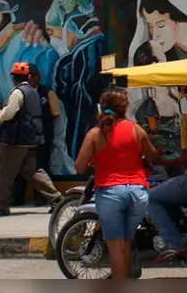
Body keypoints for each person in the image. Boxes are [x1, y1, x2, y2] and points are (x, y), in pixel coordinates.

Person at [74, 88, 175, 281]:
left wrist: (95, 160)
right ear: (125, 108)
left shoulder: (95, 134)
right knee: (126, 243)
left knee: (116, 248)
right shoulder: (136, 130)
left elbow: (79, 166)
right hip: (138, 193)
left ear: (101, 108)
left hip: (110, 193)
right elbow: (152, 156)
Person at [0, 62, 62, 217]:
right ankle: (57, 199)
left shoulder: (18, 92)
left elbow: (10, 113)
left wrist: (0, 114)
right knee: (33, 171)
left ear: (13, 78)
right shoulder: (34, 92)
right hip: (32, 140)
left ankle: (0, 206)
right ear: (28, 76)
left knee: (4, 173)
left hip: (16, 140)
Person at [45, 0, 106, 159]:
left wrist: (78, 154)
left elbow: (81, 113)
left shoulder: (79, 61)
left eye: (52, 32)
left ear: (69, 26)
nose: (53, 40)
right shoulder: (99, 48)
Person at [12, 63, 72, 206]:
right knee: (20, 168)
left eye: (33, 75)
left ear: (38, 77)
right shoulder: (18, 93)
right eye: (29, 76)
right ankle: (17, 197)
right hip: (23, 138)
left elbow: (55, 113)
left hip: (42, 138)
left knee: (41, 168)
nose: (31, 78)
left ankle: (41, 197)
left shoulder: (46, 92)